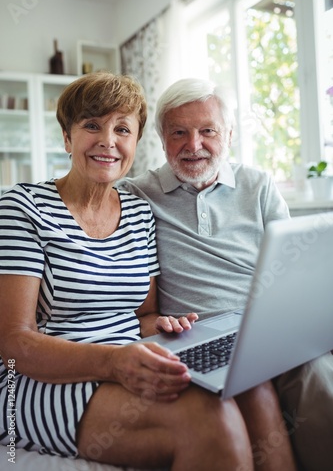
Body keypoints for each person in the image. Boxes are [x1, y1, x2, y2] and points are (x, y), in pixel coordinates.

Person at [0, 72, 296, 471]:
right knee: (211, 420)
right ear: (67, 138)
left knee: (254, 391)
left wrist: (169, 326)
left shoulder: (139, 213)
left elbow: (143, 317)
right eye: (91, 125)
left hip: (131, 361)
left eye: (122, 129)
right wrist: (113, 362)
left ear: (136, 144)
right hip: (46, 378)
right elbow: (14, 342)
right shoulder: (21, 207)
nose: (108, 140)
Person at [118, 77, 333, 471]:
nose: (194, 145)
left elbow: (297, 272)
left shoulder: (259, 185)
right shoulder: (136, 194)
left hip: (270, 327)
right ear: (162, 138)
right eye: (179, 132)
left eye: (207, 131)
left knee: (320, 380)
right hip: (199, 337)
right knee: (269, 390)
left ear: (229, 134)